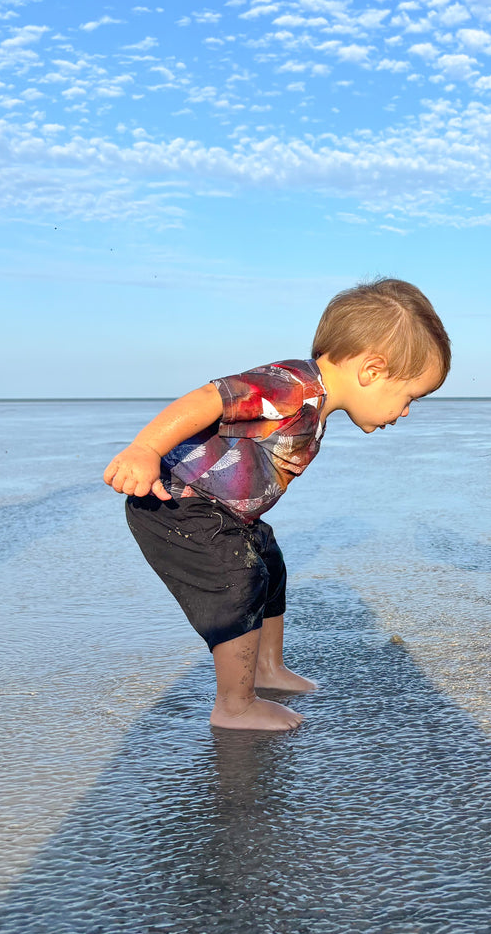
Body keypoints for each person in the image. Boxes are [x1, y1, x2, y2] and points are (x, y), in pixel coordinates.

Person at [104, 279, 450, 731]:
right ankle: (234, 705)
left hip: (222, 510)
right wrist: (145, 449)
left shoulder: (316, 404)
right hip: (177, 502)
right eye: (409, 398)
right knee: (238, 576)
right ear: (372, 370)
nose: (404, 412)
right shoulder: (290, 387)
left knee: (268, 560)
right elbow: (212, 397)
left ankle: (267, 668)